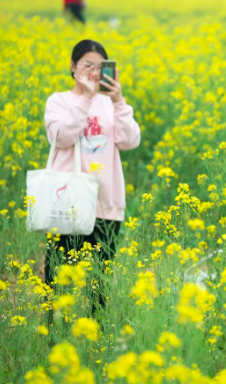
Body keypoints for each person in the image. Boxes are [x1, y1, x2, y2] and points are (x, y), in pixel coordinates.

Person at [44, 39, 141, 313]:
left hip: (105, 203)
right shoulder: (59, 101)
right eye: (88, 65)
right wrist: (85, 98)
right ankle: (53, 339)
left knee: (99, 286)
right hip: (67, 203)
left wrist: (119, 100)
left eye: (101, 67)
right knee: (56, 283)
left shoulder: (111, 104)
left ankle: (96, 344)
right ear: (73, 67)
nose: (95, 72)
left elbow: (130, 140)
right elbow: (61, 137)